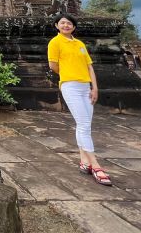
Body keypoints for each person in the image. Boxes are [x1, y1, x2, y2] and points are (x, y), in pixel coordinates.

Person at [47, 13, 113, 186]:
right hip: (70, 86)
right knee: (84, 124)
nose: (66, 25)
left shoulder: (80, 44)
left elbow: (89, 66)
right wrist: (67, 74)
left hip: (86, 87)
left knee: (84, 125)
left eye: (69, 23)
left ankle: (84, 160)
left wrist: (95, 87)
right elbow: (53, 65)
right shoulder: (55, 42)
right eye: (62, 23)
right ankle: (96, 165)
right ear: (57, 26)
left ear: (74, 27)